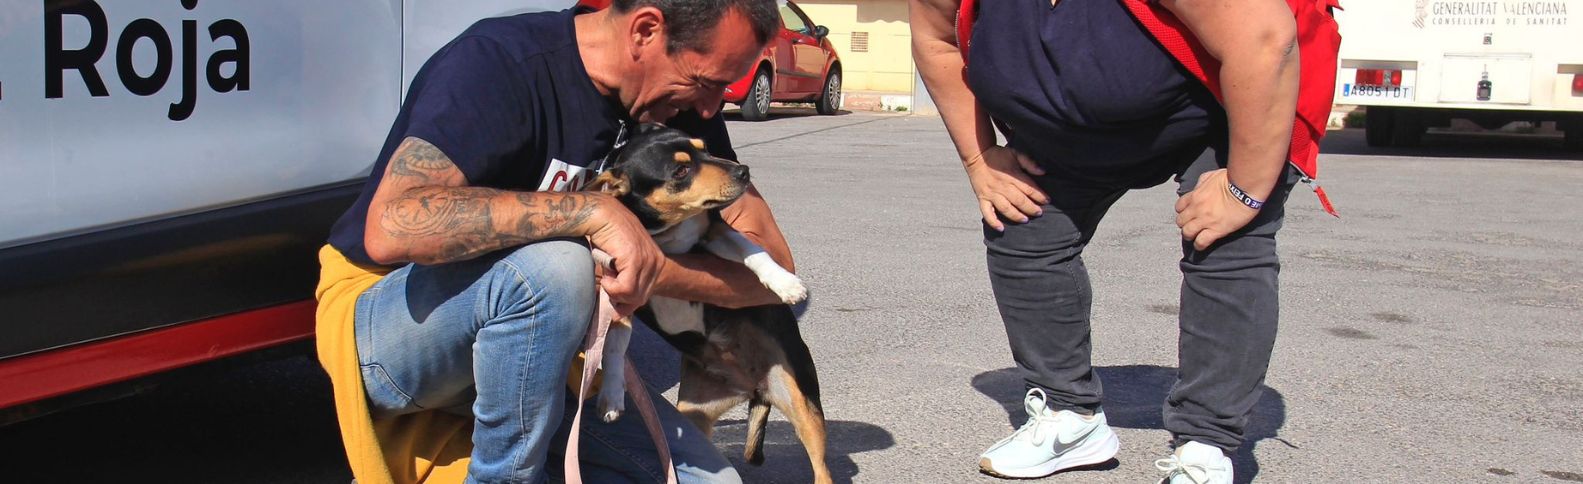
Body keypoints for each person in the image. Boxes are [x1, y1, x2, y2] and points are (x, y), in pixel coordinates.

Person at [312, 0, 791, 482]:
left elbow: (775, 274)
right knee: (556, 267)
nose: (711, 107)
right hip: (392, 326)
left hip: (540, 364)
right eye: (706, 83)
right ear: (646, 30)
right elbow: (390, 225)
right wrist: (591, 210)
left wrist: (658, 272)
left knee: (711, 481)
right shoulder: (499, 63)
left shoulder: (680, 110)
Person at [911, 0, 1310, 482]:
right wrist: (981, 160)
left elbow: (1266, 41)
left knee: (1226, 241)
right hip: (1075, 122)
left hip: (1221, 104)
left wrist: (1244, 189)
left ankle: (1206, 444)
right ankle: (1070, 418)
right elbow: (937, 40)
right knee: (1019, 219)